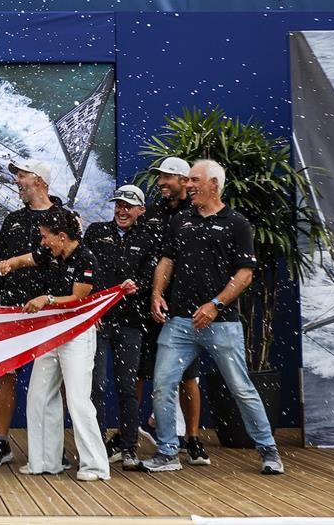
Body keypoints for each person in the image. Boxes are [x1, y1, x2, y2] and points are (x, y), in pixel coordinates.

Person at [141, 159, 284, 475]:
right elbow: (167, 261)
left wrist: (215, 304)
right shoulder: (181, 220)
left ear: (214, 185)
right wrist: (156, 293)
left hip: (221, 324)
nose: (188, 185)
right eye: (188, 180)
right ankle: (167, 453)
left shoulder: (236, 223)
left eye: (194, 180)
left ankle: (268, 451)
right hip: (179, 323)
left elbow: (245, 274)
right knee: (163, 385)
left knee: (241, 388)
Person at [0, 208, 136, 481]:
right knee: (39, 396)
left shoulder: (86, 258)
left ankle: (95, 465)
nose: (42, 242)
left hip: (77, 335)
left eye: (45, 237)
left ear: (62, 236)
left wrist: (46, 299)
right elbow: (30, 259)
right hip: (51, 334)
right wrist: (11, 262)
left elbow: (78, 299)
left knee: (77, 400)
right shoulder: (51, 252)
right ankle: (45, 461)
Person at [0, 159, 67, 468]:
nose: (17, 180)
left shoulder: (65, 218)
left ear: (40, 181)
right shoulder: (12, 219)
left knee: (59, 379)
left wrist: (49, 296)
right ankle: (2, 442)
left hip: (50, 309)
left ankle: (57, 446)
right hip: (11, 307)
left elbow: (59, 261)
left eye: (22, 175)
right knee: (4, 374)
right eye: (15, 175)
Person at [138, 157, 209, 466]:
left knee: (188, 376)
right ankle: (131, 433)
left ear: (184, 180)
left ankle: (192, 439)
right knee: (142, 371)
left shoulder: (197, 214)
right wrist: (152, 294)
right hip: (149, 304)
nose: (161, 182)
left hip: (184, 307)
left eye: (167, 177)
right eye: (159, 178)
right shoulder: (150, 214)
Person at [84, 184, 158, 470]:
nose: (122, 210)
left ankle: (128, 447)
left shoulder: (149, 236)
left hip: (132, 322)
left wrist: (136, 287)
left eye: (129, 206)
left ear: (141, 210)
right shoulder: (96, 232)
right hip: (100, 321)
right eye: (118, 205)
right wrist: (94, 306)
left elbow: (149, 276)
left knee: (127, 387)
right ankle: (97, 446)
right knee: (96, 387)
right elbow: (86, 272)